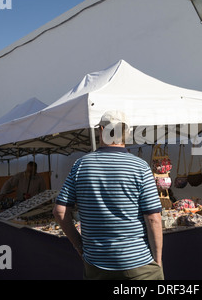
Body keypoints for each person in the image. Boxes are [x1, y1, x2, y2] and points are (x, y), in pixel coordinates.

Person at [53, 111, 164, 280]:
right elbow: (153, 219)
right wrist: (157, 260)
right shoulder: (140, 167)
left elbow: (59, 212)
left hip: (95, 264)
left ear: (102, 130)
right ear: (126, 133)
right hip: (137, 264)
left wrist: (79, 246)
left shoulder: (81, 165)